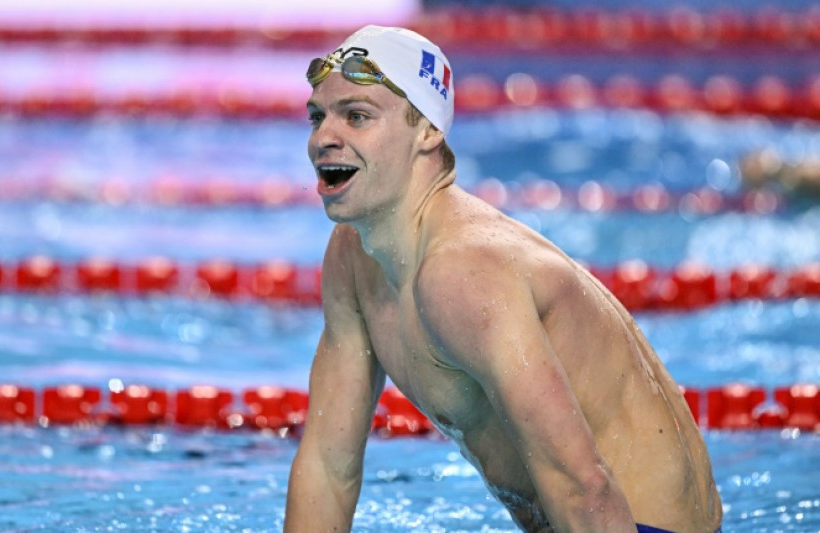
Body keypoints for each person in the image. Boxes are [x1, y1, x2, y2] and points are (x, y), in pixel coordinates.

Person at [284, 25, 722, 533]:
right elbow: (327, 466)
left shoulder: (462, 273)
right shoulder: (353, 256)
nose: (324, 138)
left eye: (356, 116)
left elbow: (583, 486)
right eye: (319, 116)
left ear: (427, 131)